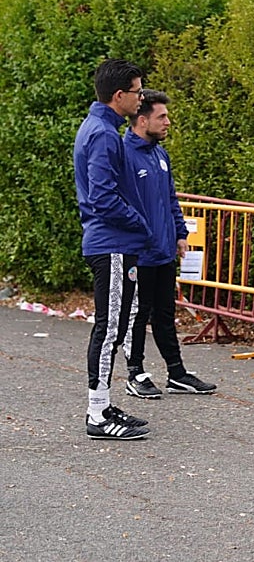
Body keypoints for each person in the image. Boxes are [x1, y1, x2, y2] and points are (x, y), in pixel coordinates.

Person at [73, 58, 153, 440]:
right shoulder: (103, 134)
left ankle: (103, 404)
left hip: (116, 244)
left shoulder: (102, 128)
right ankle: (96, 414)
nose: (142, 97)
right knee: (109, 330)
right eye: (138, 91)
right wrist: (140, 224)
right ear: (119, 95)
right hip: (112, 245)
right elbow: (103, 198)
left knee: (115, 326)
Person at [122, 90, 217, 398]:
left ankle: (176, 373)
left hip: (164, 251)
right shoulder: (124, 154)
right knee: (138, 314)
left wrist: (180, 233)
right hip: (138, 254)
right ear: (142, 120)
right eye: (161, 117)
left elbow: (170, 199)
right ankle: (135, 372)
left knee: (164, 313)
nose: (168, 122)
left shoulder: (160, 154)